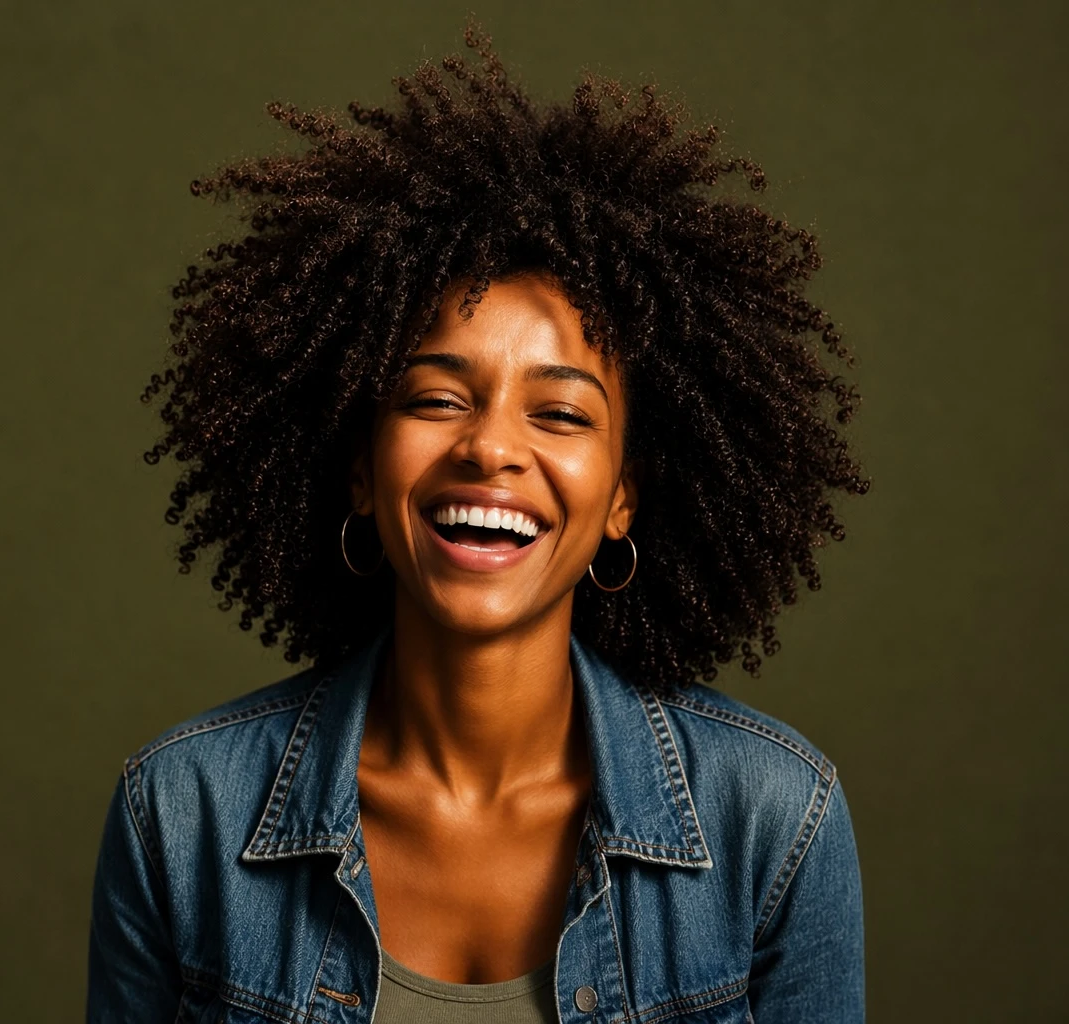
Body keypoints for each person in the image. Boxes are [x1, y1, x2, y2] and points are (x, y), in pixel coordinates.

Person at [88, 19, 870, 1024]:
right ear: (362, 470)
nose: (490, 448)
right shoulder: (181, 815)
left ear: (624, 492)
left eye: (560, 411)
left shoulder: (774, 822)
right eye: (434, 397)